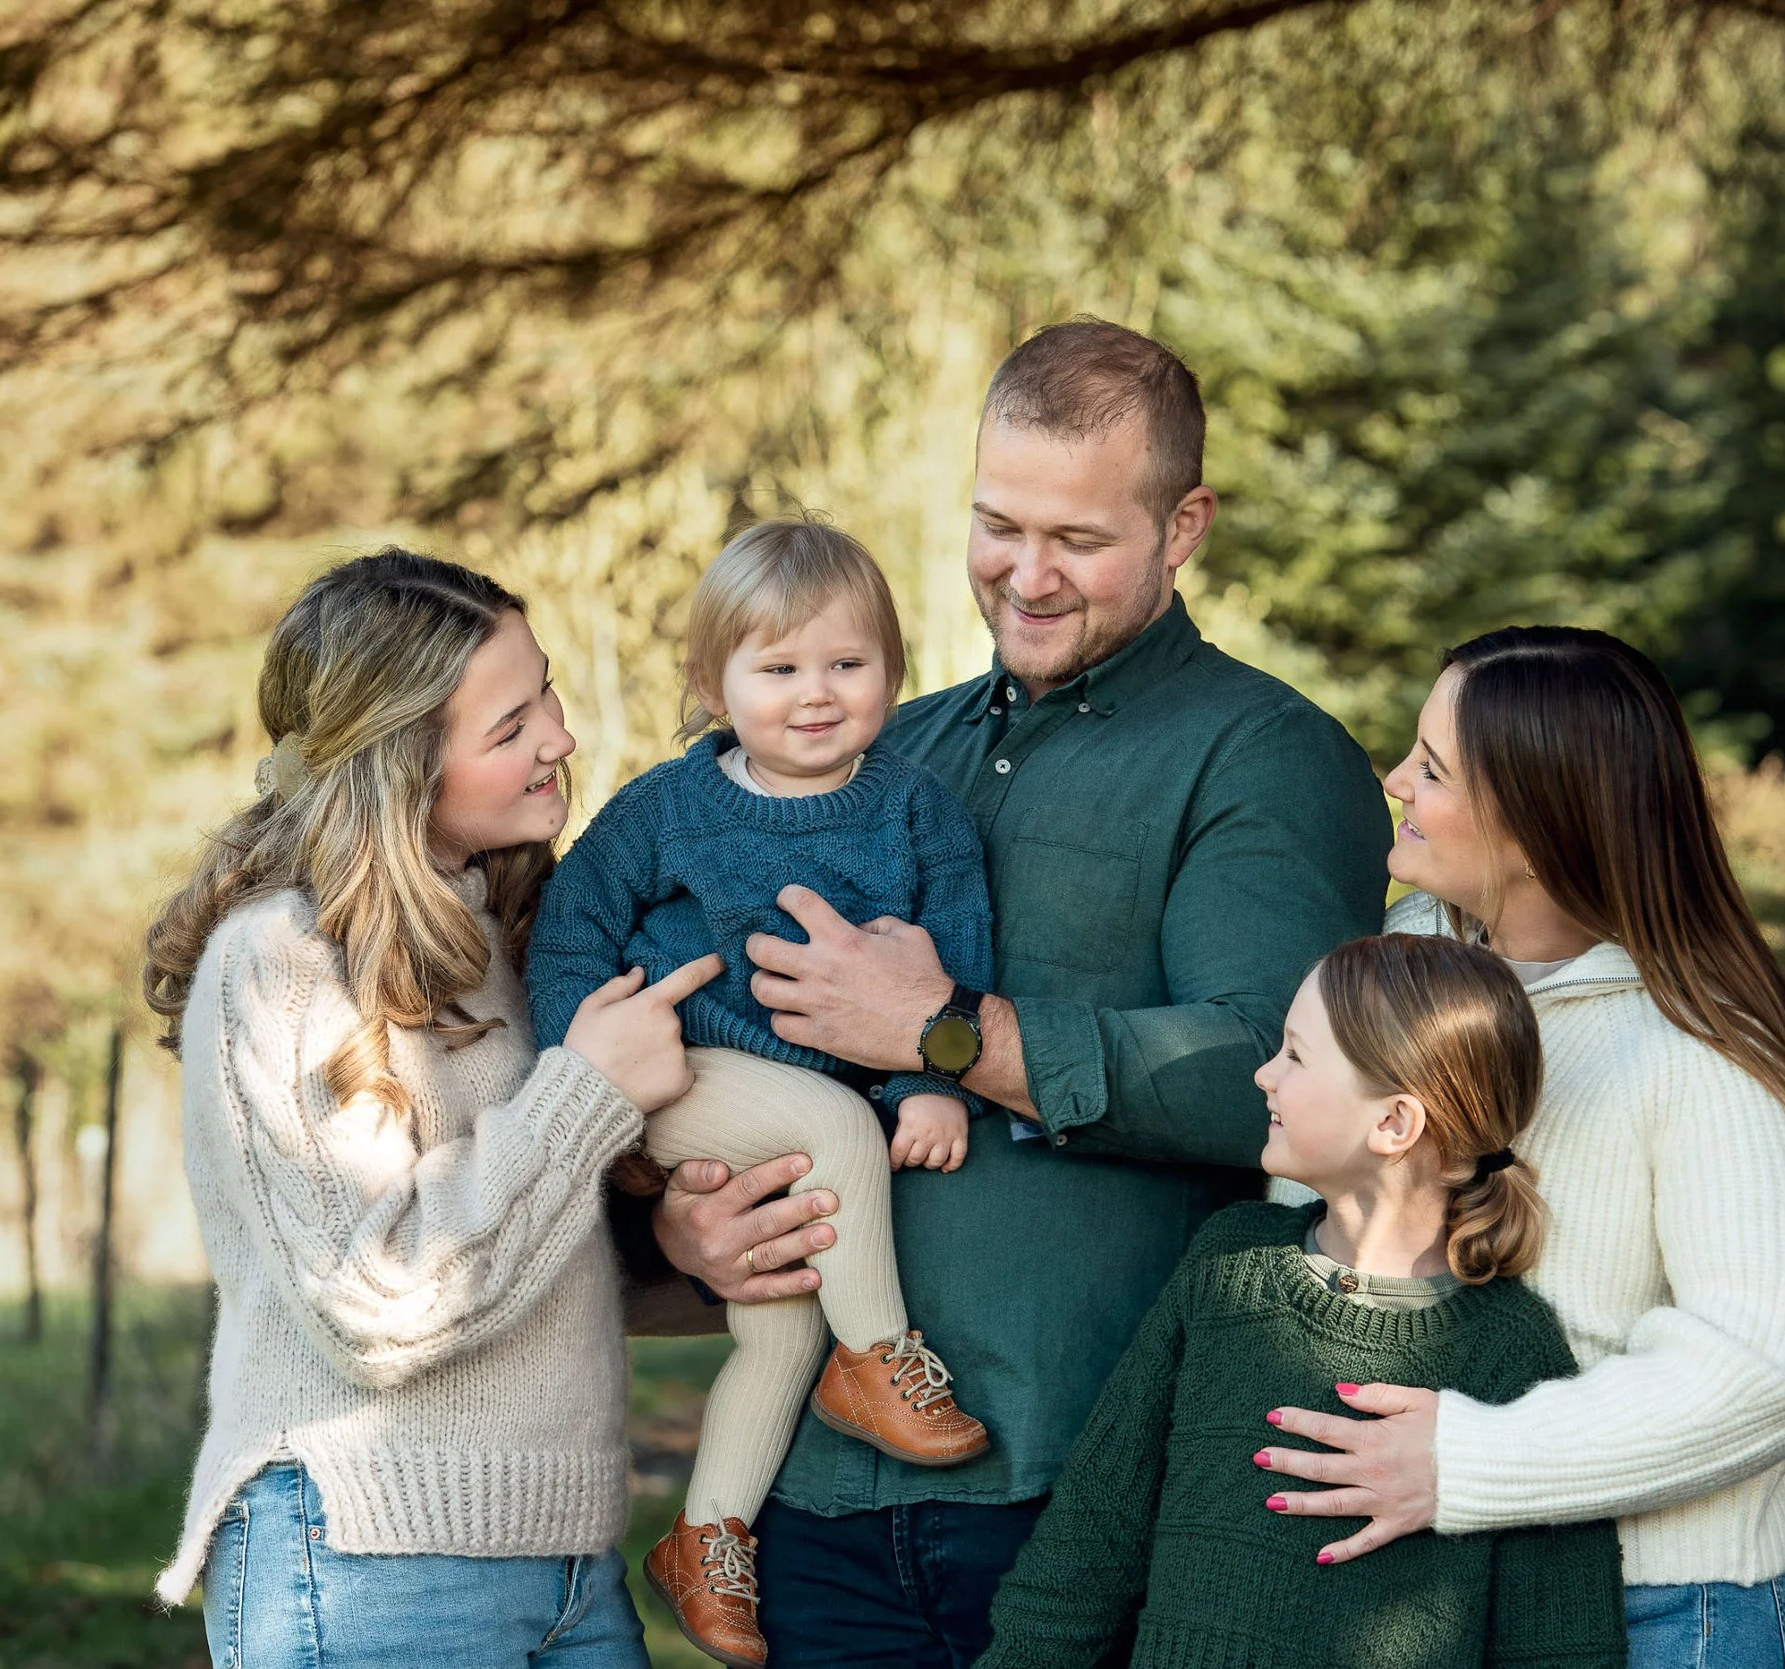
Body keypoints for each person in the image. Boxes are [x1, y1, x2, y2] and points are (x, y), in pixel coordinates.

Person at [637, 319, 1393, 1665]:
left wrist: (944, 1033)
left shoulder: (1264, 757)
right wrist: (687, 1220)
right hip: (816, 1495)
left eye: (1078, 541)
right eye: (997, 526)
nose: (1025, 576)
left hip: (1080, 1491)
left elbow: (1278, 1083)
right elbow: (696, 1027)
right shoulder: (880, 744)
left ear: (1185, 523)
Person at [143, 550, 717, 1668]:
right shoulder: (282, 966)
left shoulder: (514, 929)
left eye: (543, 689)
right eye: (508, 728)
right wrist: (589, 1090)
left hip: (568, 1561)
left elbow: (509, 1258)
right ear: (399, 769)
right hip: (361, 1555)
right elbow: (382, 1305)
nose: (558, 734)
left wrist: (679, 1257)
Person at [1256, 627, 1785, 1669]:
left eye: (1432, 768)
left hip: (1657, 1614)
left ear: (1535, 823)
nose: (1394, 780)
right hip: (1439, 1603)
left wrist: (1467, 1460)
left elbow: (1775, 1366)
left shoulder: (1702, 1053)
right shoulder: (1407, 972)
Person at [527, 520, 996, 1667]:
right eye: (778, 670)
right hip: (677, 1071)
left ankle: (707, 1538)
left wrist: (942, 1086)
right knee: (832, 1124)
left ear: (893, 666)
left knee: (777, 1327)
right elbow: (569, 928)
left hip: (800, 1105)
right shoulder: (669, 808)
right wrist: (589, 1062)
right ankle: (878, 1352)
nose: (817, 695)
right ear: (713, 684)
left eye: (848, 664)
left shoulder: (916, 806)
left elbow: (958, 949)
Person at [977, 934, 1627, 1669]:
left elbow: (1563, 1643)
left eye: (1295, 1054)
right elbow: (1092, 1538)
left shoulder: (1513, 1347)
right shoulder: (1230, 1265)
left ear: (1394, 1123)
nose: (1264, 1074)